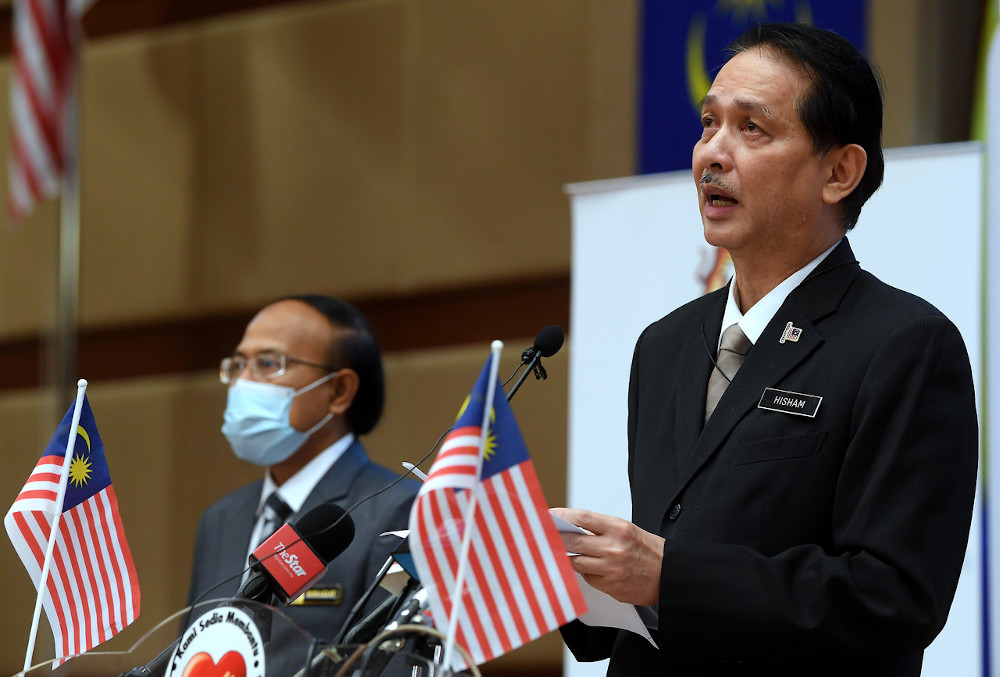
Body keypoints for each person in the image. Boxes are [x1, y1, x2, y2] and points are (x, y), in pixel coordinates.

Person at [554, 22, 978, 676]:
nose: (711, 154)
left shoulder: (905, 344)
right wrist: (561, 575)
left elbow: (893, 599)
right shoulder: (664, 345)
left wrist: (669, 575)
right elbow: (660, 590)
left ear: (839, 171)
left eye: (751, 128)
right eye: (708, 124)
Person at [186, 295, 420, 661]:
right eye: (238, 364)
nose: (242, 383)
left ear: (339, 391)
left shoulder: (398, 510)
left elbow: (393, 662)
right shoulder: (221, 519)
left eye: (268, 364)